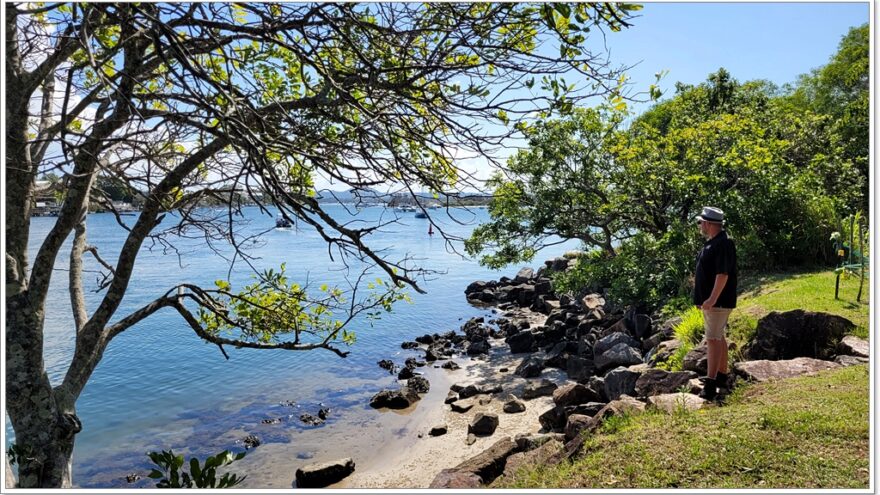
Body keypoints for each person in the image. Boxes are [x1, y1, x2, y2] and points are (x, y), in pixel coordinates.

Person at [693, 206, 737, 400]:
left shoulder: (723, 244)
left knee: (712, 339)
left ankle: (711, 384)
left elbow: (722, 274)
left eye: (701, 222)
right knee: (719, 337)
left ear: (709, 224)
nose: (700, 225)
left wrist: (711, 299)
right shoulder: (713, 243)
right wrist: (701, 299)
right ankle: (721, 376)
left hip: (718, 302)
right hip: (712, 302)